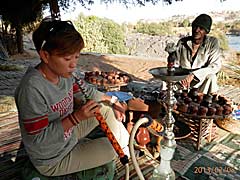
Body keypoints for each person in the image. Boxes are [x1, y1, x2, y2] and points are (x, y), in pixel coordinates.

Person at [14, 19, 130, 177]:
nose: (73, 64)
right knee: (111, 149)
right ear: (45, 56)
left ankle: (124, 147)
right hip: (52, 157)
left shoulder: (64, 75)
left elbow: (87, 91)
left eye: (76, 57)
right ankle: (122, 151)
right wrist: (76, 118)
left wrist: (113, 101)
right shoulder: (31, 89)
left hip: (68, 136)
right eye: (67, 59)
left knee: (105, 109)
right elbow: (40, 139)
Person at [175, 13, 222, 94]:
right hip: (182, 81)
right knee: (166, 83)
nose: (197, 30)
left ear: (206, 31)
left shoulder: (212, 42)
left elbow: (215, 66)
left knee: (211, 77)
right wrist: (181, 77)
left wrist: (194, 75)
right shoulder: (182, 42)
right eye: (195, 27)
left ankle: (204, 102)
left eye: (201, 28)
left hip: (200, 81)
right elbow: (175, 65)